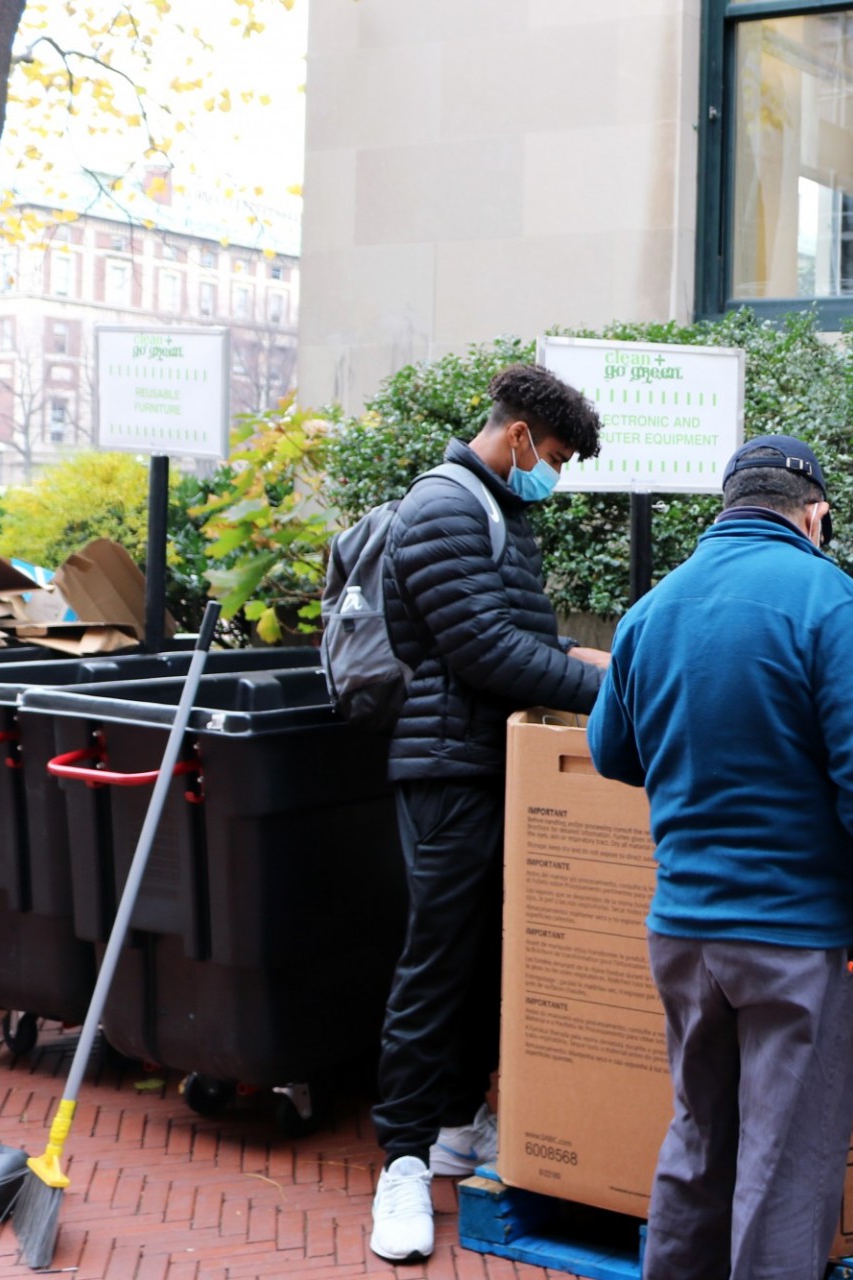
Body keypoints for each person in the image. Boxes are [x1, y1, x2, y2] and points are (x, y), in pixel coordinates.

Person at [587, 435, 853, 1280]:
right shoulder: (830, 602)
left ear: (728, 505)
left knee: (696, 1141)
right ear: (813, 514)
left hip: (683, 933)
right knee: (785, 1168)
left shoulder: (652, 609)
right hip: (796, 938)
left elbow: (610, 751)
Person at [369, 363, 611, 1264]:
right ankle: (400, 1162)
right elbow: (482, 652)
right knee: (434, 965)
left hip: (489, 763)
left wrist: (575, 651)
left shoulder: (500, 510)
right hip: (446, 773)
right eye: (551, 455)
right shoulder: (442, 506)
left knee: (489, 960)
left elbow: (517, 634)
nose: (553, 473)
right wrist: (600, 688)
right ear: (517, 437)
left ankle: (462, 1128)